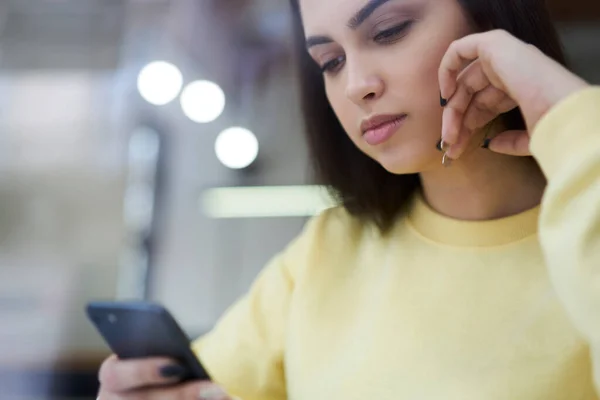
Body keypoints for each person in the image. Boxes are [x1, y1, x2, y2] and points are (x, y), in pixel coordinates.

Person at [97, 0, 600, 399]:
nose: (356, 85)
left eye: (388, 32)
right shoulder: (326, 250)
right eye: (330, 61)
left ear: (491, 16)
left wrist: (566, 110)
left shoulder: (585, 222)